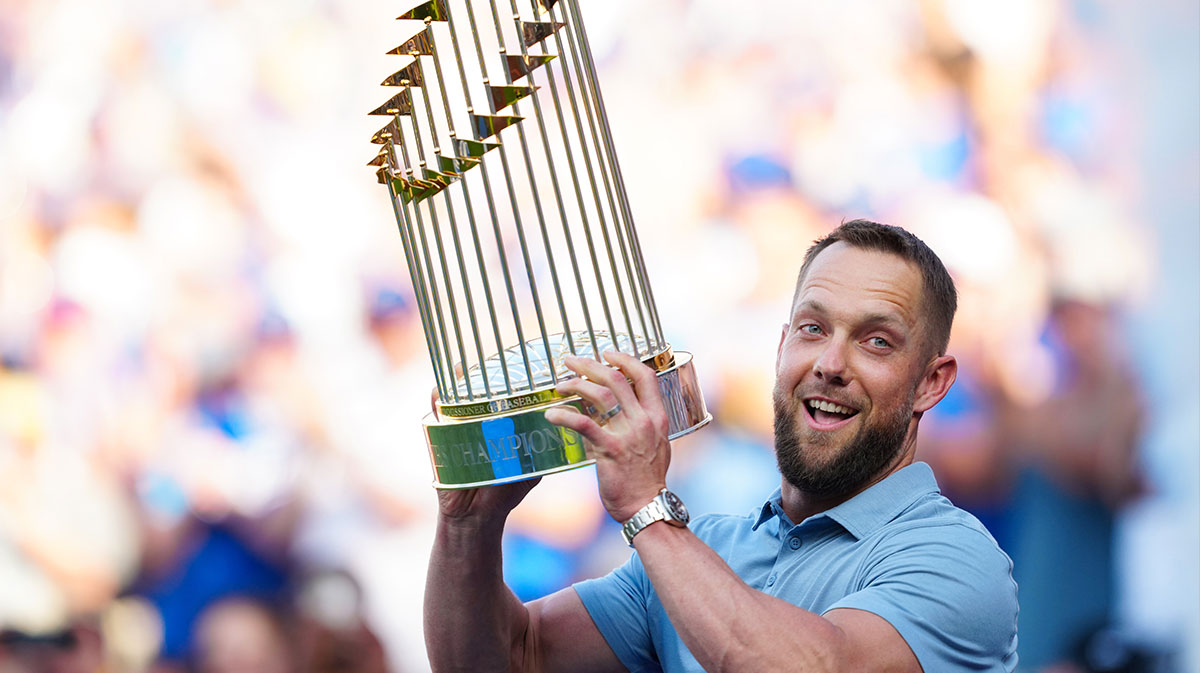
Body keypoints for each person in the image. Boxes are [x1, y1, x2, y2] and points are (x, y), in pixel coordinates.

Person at [424, 220, 1018, 672]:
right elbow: (511, 656)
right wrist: (469, 527)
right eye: (813, 329)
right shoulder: (705, 546)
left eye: (877, 342)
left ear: (931, 383)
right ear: (783, 345)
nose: (830, 364)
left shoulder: (955, 558)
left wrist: (646, 509)